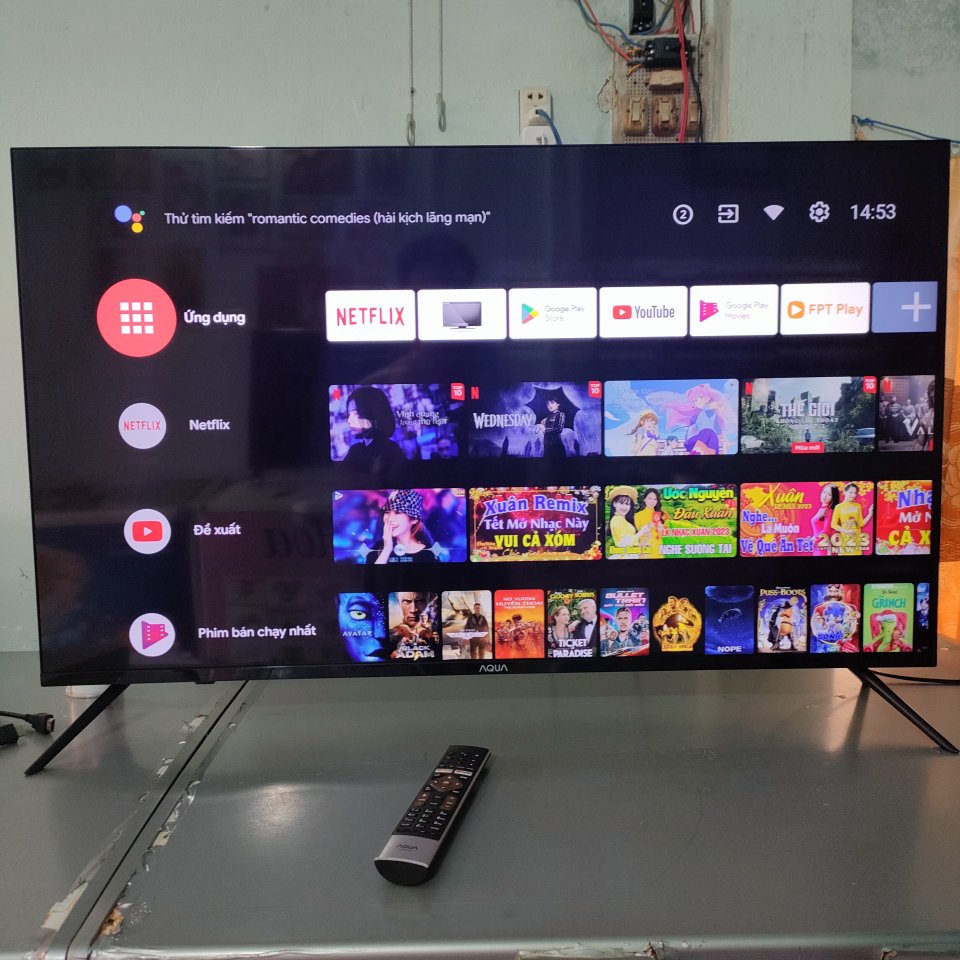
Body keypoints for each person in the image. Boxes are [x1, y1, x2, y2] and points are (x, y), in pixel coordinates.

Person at [366, 490, 438, 564]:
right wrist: (386, 550)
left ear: (414, 519)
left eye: (397, 513)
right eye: (387, 512)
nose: (390, 518)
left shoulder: (428, 555)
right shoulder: (377, 549)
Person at [342, 386, 406, 470]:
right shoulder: (355, 450)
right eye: (349, 414)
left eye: (356, 413)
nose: (349, 421)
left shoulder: (390, 450)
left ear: (375, 413)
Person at [831, 482, 873, 556]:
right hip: (844, 540)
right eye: (850, 492)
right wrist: (846, 531)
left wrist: (870, 514)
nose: (853, 495)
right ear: (844, 492)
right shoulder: (838, 507)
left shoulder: (858, 506)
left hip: (856, 540)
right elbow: (833, 524)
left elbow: (861, 524)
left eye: (855, 493)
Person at [635, 487, 667, 558]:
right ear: (644, 499)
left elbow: (662, 535)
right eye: (650, 498)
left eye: (655, 499)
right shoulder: (638, 515)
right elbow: (636, 535)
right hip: (645, 548)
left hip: (658, 548)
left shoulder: (661, 514)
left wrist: (660, 529)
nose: (652, 501)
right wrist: (648, 527)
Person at [607, 485, 640, 553]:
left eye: (627, 504)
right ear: (614, 504)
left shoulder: (622, 519)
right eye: (621, 503)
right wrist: (641, 532)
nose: (624, 507)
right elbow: (623, 544)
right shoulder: (617, 519)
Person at [811, 484, 840, 556]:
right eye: (824, 492)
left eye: (829, 494)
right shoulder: (821, 510)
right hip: (818, 546)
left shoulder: (829, 511)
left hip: (824, 547)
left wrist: (815, 539)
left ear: (833, 497)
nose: (825, 496)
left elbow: (826, 531)